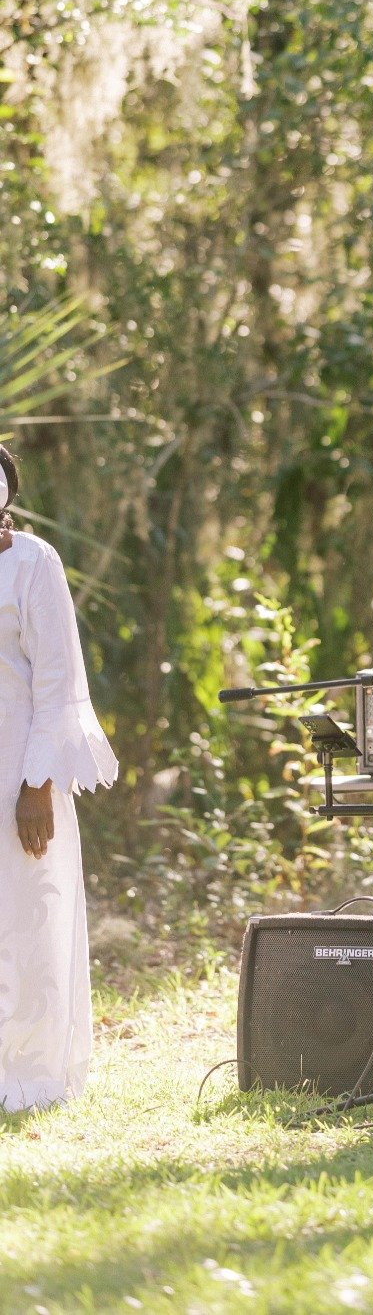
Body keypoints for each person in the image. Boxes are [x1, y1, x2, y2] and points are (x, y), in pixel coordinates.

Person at [0, 443, 118, 1110]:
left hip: (16, 763)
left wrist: (38, 782)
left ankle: (27, 1073)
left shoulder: (32, 562)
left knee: (24, 913)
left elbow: (56, 679)